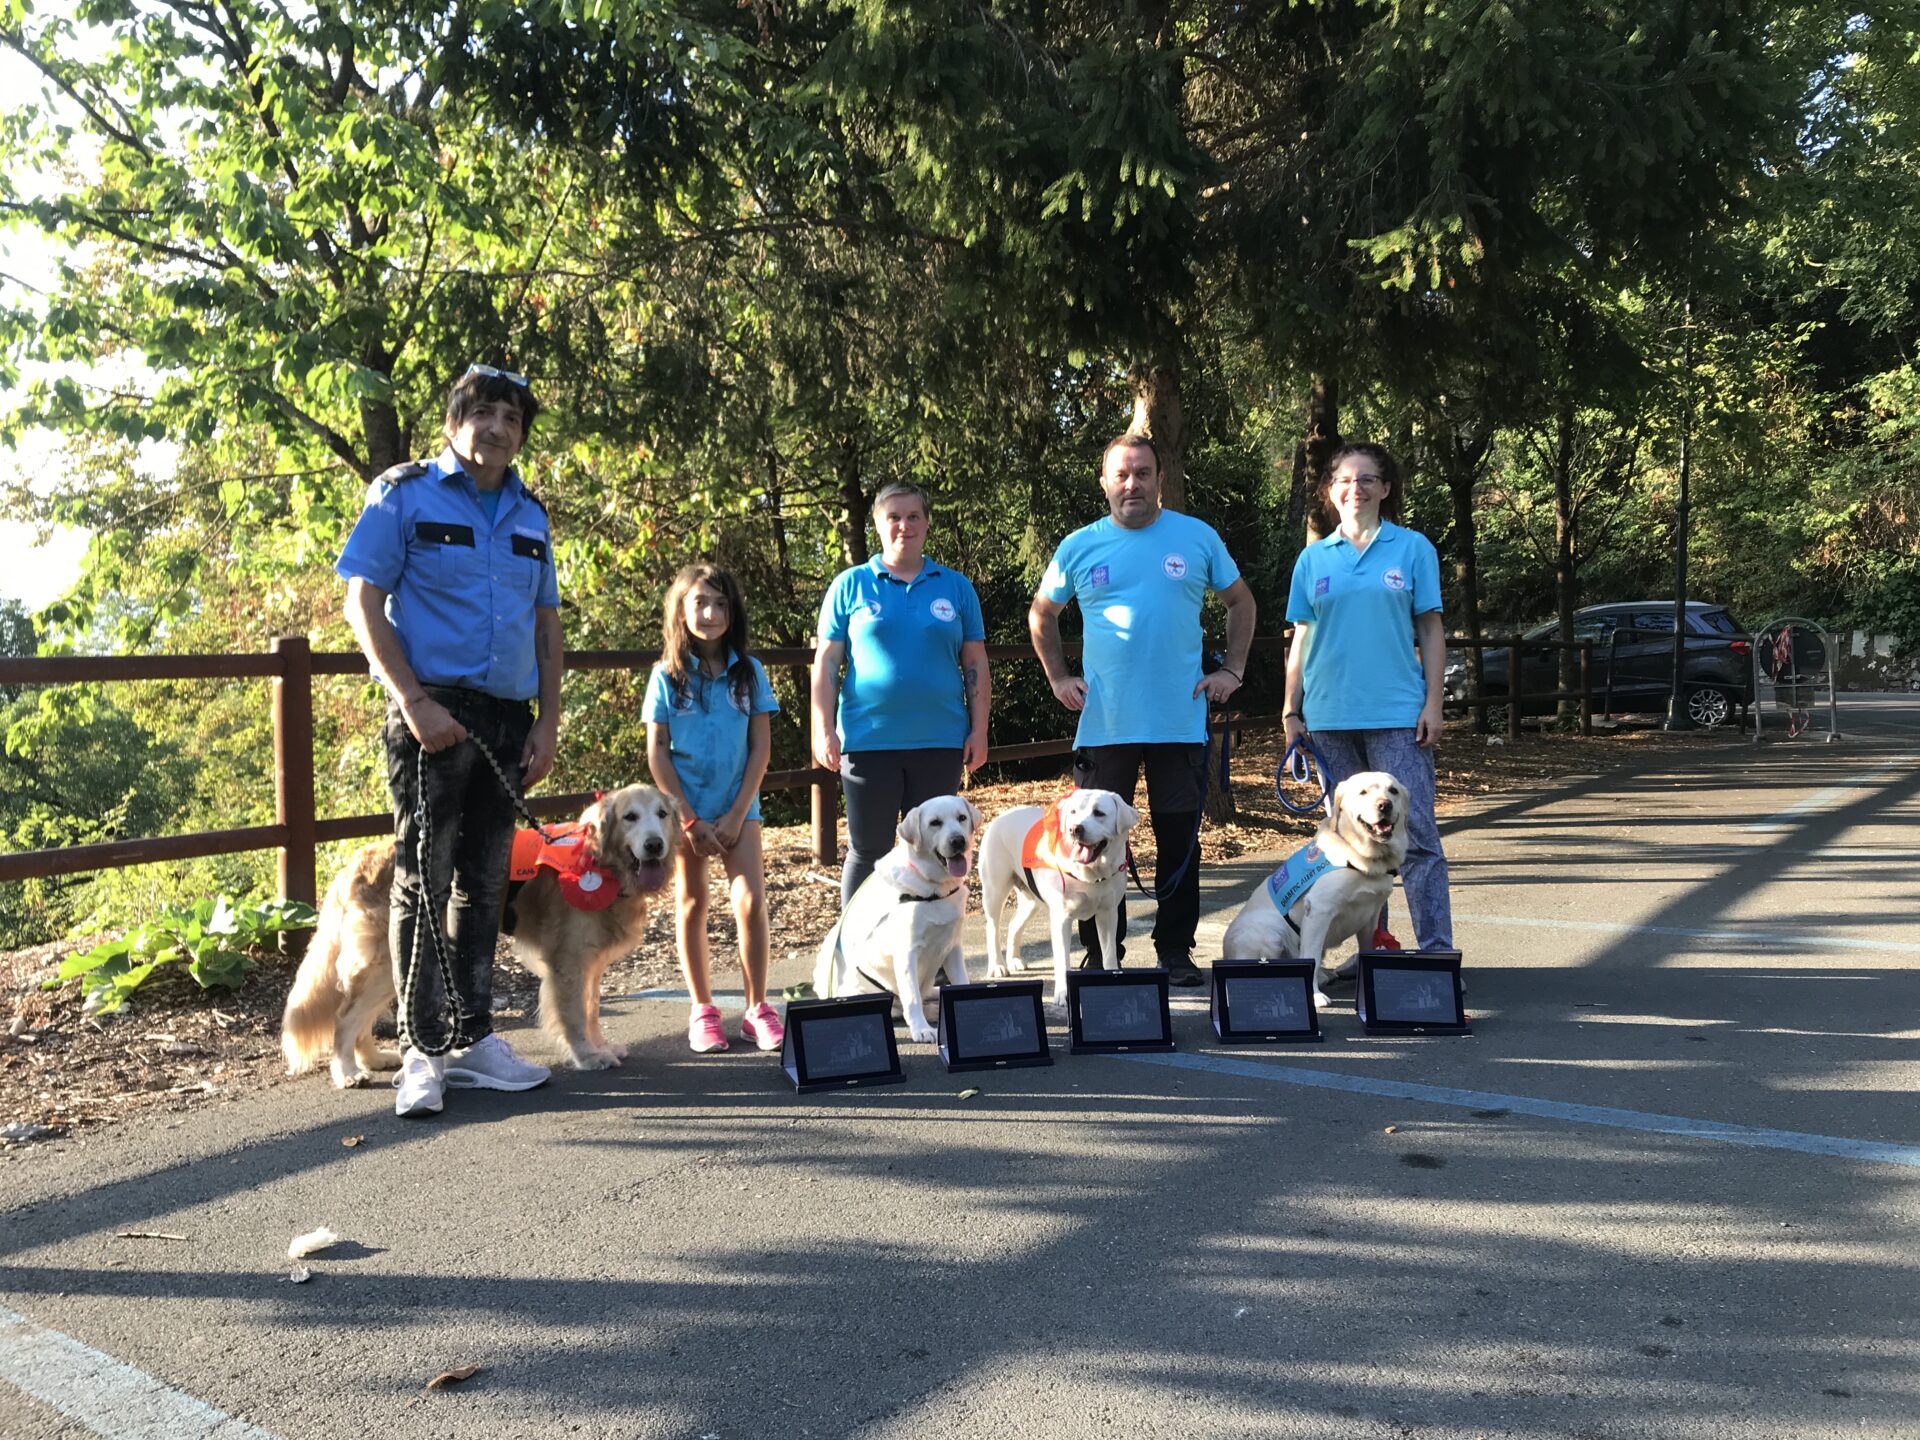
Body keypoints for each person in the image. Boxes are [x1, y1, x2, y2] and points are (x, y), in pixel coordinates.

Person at [337, 364, 562, 1119]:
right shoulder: (404, 496)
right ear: (453, 422)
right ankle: (422, 1050)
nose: (498, 427)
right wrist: (413, 701)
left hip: (507, 718)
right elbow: (362, 601)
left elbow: (546, 625)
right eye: (484, 413)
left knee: (487, 883)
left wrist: (547, 721)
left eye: (512, 417)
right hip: (431, 713)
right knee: (422, 881)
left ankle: (474, 1038)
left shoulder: (531, 515)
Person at [1029, 432, 1256, 985]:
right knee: (1087, 838)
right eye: (1122, 474)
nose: (1133, 484)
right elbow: (1042, 614)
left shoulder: (1196, 537)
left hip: (1178, 721)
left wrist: (1232, 671)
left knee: (1180, 840)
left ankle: (1175, 951)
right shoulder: (1079, 545)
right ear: (1105, 483)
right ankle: (1101, 954)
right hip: (1105, 724)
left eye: (1143, 473)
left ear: (1160, 478)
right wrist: (1059, 676)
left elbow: (1241, 602)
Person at [1282, 442, 1452, 951]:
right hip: (1330, 718)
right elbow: (1301, 638)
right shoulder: (1312, 559)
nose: (1355, 489)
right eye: (1344, 481)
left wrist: (1434, 703)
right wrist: (1291, 708)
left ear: (1385, 488)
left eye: (1367, 479)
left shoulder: (1413, 547)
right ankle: (1374, 956)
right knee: (1352, 844)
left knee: (1417, 838)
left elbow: (1431, 628)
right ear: (1329, 491)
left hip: (1399, 714)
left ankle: (1436, 955)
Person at [811, 482, 991, 906]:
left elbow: (976, 664)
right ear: (877, 523)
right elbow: (825, 664)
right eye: (893, 517)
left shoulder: (956, 587)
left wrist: (979, 730)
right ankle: (857, 953)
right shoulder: (850, 585)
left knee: (936, 850)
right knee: (868, 850)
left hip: (940, 741)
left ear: (927, 523)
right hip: (868, 741)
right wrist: (823, 729)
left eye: (913, 516)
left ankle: (934, 957)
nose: (903, 526)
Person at [645, 564, 784, 1055]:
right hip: (684, 812)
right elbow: (658, 752)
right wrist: (688, 819)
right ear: (681, 610)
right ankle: (703, 1009)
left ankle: (756, 1008)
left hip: (738, 810)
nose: (711, 613)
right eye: (700, 603)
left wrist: (735, 813)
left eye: (721, 604)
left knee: (749, 902)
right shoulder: (666, 675)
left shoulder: (749, 672)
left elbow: (760, 748)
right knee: (692, 903)